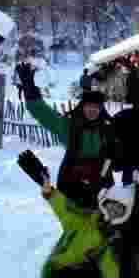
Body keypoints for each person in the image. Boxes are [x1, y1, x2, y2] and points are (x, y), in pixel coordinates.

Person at [17, 150, 126, 278]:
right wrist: (47, 188)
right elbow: (62, 206)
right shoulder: (81, 220)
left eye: (118, 211)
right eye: (110, 207)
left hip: (79, 272)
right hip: (55, 272)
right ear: (102, 205)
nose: (111, 214)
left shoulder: (109, 236)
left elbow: (108, 261)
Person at [17, 62, 118, 210]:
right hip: (72, 189)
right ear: (82, 106)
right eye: (88, 106)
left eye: (96, 107)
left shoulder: (108, 130)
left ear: (101, 109)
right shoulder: (69, 126)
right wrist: (30, 89)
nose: (92, 110)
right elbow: (43, 113)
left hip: (103, 193)